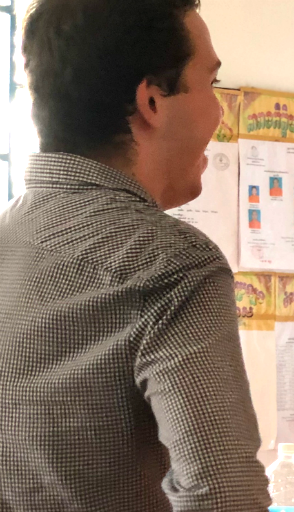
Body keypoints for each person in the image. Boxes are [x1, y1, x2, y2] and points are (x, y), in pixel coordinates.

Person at [0, 0, 270, 509]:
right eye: (211, 84)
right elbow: (224, 496)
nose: (219, 109)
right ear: (151, 101)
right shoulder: (170, 264)